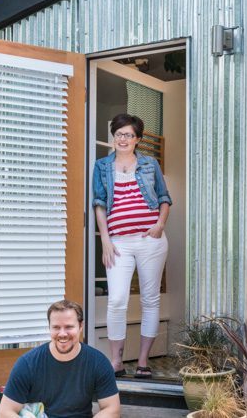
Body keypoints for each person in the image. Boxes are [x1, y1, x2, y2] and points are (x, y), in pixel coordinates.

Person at [92, 113, 171, 379]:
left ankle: (143, 361)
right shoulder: (102, 166)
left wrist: (160, 224)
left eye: (128, 135)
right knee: (116, 300)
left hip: (151, 241)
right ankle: (115, 361)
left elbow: (164, 197)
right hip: (118, 243)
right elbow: (99, 204)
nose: (123, 139)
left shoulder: (150, 164)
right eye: (118, 134)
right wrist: (105, 239)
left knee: (150, 300)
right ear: (113, 136)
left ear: (137, 139)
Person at [0, 300, 121, 418]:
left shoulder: (98, 362)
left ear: (81, 326)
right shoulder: (27, 364)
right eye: (56, 327)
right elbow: (5, 412)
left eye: (69, 327)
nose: (62, 333)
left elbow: (112, 409)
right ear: (49, 327)